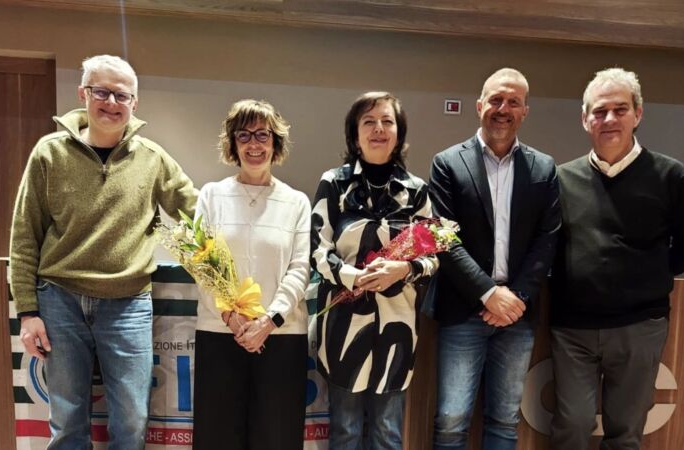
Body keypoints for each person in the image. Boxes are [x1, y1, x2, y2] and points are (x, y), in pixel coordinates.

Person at [10, 54, 198, 448]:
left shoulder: (152, 158)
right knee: (66, 419)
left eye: (121, 95)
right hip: (59, 302)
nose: (111, 102)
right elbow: (25, 234)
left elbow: (197, 212)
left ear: (134, 103)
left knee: (132, 419)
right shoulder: (48, 153)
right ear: (83, 94)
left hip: (128, 304)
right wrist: (27, 311)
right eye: (101, 92)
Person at [549, 67, 684, 450]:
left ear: (638, 114)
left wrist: (648, 276)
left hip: (640, 327)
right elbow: (548, 247)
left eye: (620, 109)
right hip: (573, 329)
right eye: (600, 111)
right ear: (585, 119)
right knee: (572, 425)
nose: (609, 119)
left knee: (625, 433)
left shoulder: (671, 176)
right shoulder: (560, 179)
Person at [429, 68, 561, 450]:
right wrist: (489, 294)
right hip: (463, 310)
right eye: (496, 100)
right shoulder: (447, 163)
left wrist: (515, 298)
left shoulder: (544, 168)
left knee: (504, 421)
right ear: (479, 106)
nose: (504, 109)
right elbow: (444, 239)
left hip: (517, 314)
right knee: (451, 421)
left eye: (513, 102)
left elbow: (547, 240)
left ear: (525, 111)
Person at [311, 91, 438, 450]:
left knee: (387, 432)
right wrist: (354, 277)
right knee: (346, 430)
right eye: (369, 121)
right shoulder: (334, 184)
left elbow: (433, 257)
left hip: (398, 328)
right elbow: (316, 250)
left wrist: (404, 269)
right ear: (355, 135)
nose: (378, 128)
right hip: (344, 327)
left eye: (387, 121)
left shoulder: (417, 192)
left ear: (399, 134)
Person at [192, 99, 311, 450]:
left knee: (277, 438)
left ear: (276, 142)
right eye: (243, 135)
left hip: (281, 335)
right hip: (220, 333)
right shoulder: (211, 195)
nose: (253, 144)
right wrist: (231, 316)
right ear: (232, 143)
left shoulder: (296, 202)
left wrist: (268, 321)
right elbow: (202, 264)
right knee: (217, 438)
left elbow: (300, 268)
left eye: (263, 134)